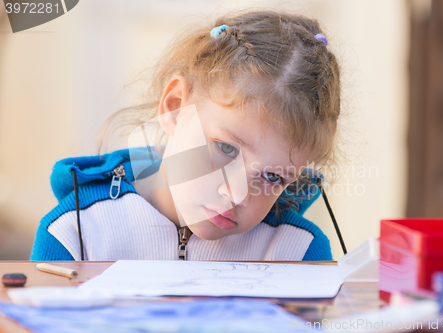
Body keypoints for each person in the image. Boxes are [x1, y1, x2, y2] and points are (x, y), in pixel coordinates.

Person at [30, 10, 341, 261]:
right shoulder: (75, 234)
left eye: (274, 177)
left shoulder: (298, 252)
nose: (237, 195)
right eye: (227, 149)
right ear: (176, 107)